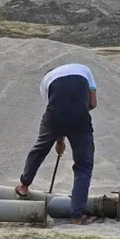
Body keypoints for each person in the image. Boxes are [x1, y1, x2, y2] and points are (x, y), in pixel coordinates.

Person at [16, 63, 98, 224]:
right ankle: (76, 216)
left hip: (54, 117)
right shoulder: (84, 69)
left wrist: (59, 140)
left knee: (39, 149)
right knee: (83, 165)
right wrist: (77, 113)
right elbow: (93, 103)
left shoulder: (46, 81)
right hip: (80, 117)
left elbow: (55, 108)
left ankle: (23, 186)